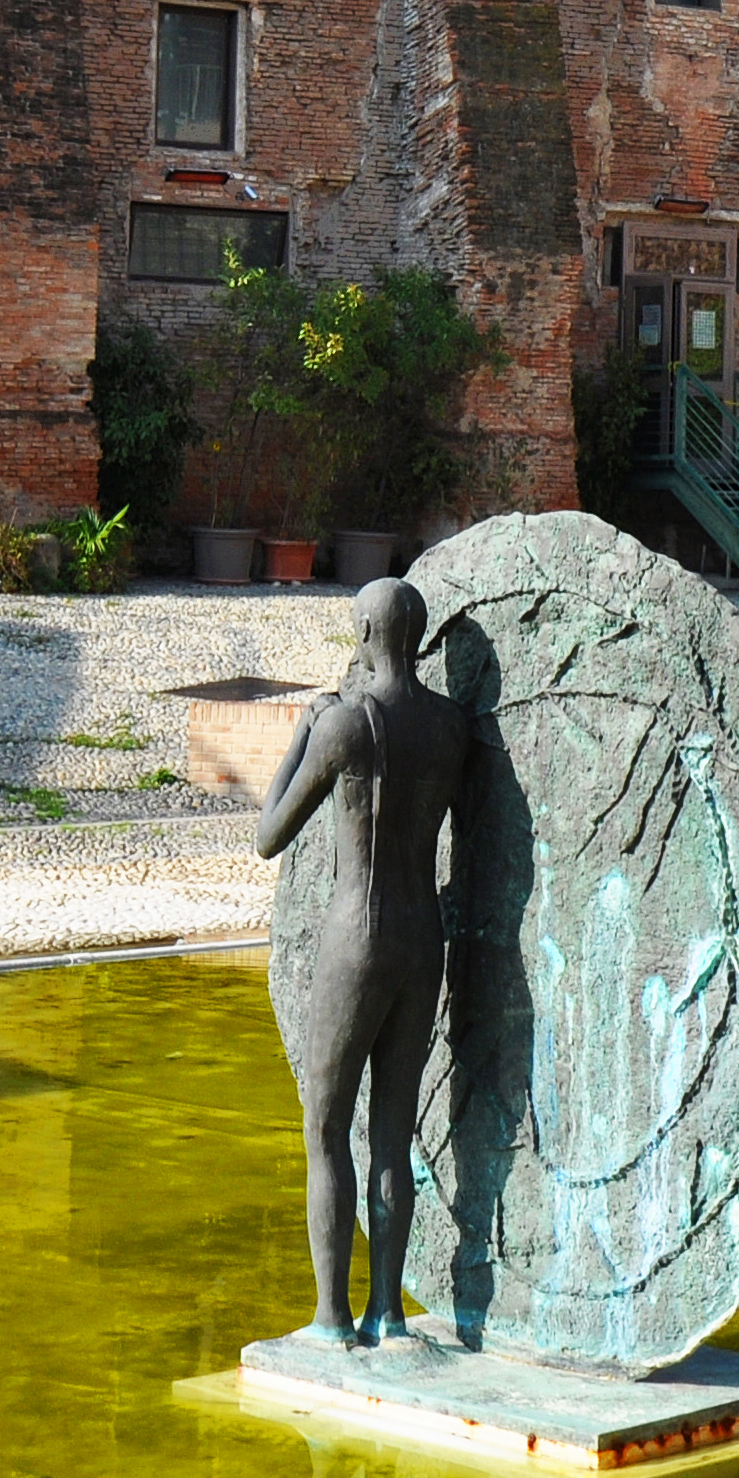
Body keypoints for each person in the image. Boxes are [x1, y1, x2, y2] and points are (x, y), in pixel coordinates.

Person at [253, 576, 467, 1344]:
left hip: (359, 937)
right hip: (423, 942)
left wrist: (303, 734)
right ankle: (388, 1313)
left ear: (367, 635)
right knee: (391, 1136)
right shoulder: (453, 727)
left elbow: (269, 833)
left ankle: (331, 1318)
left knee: (325, 1128)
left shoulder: (345, 726)